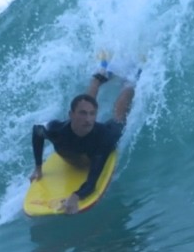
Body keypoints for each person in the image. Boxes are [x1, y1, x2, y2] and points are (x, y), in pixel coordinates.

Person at [31, 67, 135, 214]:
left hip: (109, 132)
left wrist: (75, 196)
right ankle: (97, 79)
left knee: (119, 115)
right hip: (77, 150)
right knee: (85, 103)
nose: (88, 119)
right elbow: (36, 131)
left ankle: (128, 83)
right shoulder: (57, 130)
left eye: (93, 114)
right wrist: (38, 167)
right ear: (70, 115)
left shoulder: (103, 140)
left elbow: (92, 182)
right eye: (82, 114)